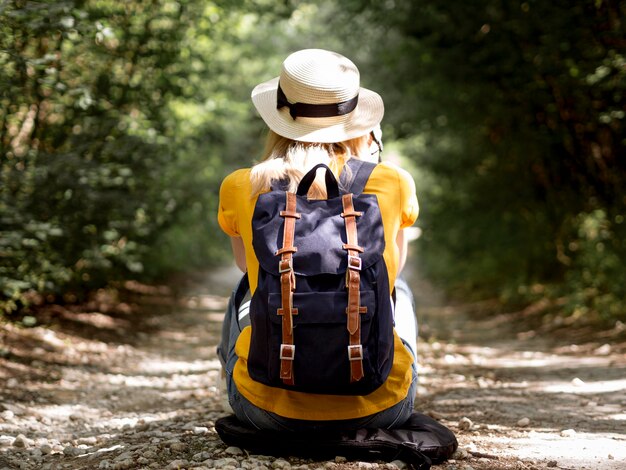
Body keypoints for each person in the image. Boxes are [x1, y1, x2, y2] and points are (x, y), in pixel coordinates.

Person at [217, 49, 419, 432]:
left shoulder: (243, 184)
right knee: (400, 287)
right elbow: (393, 267)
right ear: (359, 123)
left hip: (265, 412)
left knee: (247, 286)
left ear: (277, 119)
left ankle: (256, 375)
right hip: (382, 408)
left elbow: (247, 265)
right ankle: (383, 374)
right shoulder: (393, 181)